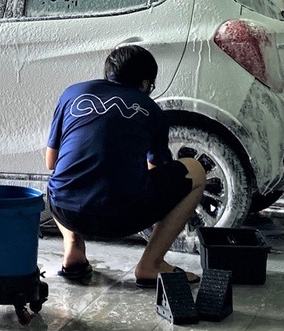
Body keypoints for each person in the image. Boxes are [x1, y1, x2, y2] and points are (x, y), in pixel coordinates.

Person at [45, 44, 206, 287]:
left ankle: (73, 249)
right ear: (145, 83)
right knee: (195, 170)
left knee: (62, 174)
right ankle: (151, 264)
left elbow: (50, 161)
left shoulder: (72, 93)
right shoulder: (152, 110)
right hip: (125, 219)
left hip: (65, 212)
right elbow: (156, 171)